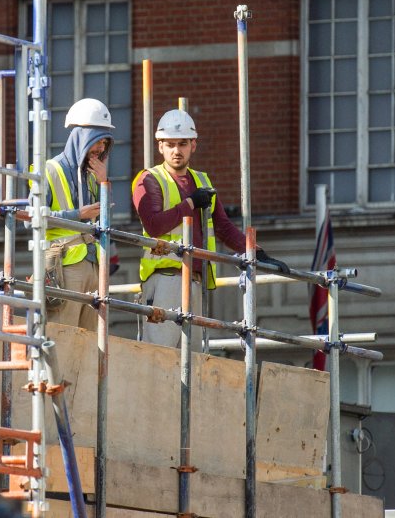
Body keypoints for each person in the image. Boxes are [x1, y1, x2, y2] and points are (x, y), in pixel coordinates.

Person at [131, 108, 289, 347]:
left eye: (182, 143)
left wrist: (256, 252)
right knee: (159, 357)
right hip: (165, 278)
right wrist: (191, 203)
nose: (176, 150)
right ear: (160, 146)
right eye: (170, 144)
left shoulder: (203, 181)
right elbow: (153, 226)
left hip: (195, 280)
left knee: (194, 362)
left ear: (193, 145)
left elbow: (223, 227)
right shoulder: (149, 179)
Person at [41, 98, 113, 330]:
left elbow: (104, 223)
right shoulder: (49, 169)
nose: (100, 148)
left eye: (104, 142)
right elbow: (30, 220)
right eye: (96, 140)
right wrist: (77, 214)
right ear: (81, 137)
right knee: (62, 335)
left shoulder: (92, 176)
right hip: (64, 266)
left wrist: (104, 183)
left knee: (90, 342)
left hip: (94, 267)